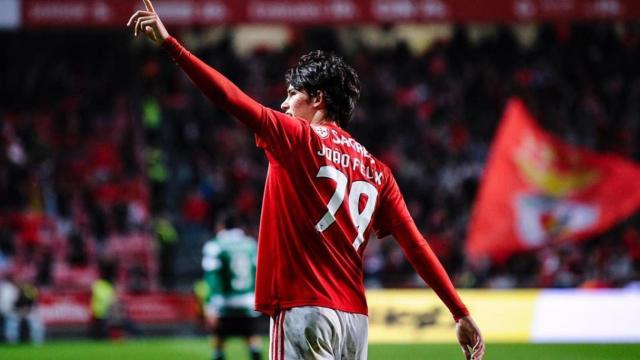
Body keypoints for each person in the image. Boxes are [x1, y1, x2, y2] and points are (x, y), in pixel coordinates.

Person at [128, 1, 485, 359]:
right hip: (354, 323)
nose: (283, 105)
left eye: (291, 95)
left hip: (304, 309)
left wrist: (171, 45)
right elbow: (417, 246)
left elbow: (229, 97)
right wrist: (460, 312)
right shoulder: (379, 171)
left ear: (317, 99)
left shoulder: (299, 139)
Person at [202, 215, 262, 360]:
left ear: (221, 226)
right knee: (252, 338)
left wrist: (209, 305)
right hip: (248, 301)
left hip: (223, 302)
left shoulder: (215, 245)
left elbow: (211, 277)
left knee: (218, 341)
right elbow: (258, 273)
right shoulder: (250, 244)